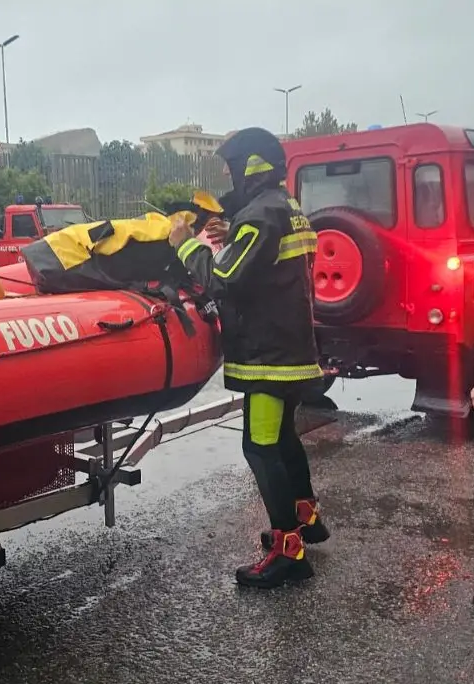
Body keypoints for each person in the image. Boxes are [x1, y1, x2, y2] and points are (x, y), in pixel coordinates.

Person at [168, 127, 328, 589]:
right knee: (281, 439)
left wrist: (187, 244)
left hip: (268, 359)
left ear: (251, 165)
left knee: (259, 446)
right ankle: (306, 518)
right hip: (292, 350)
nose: (227, 175)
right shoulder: (286, 207)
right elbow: (268, 257)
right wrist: (233, 230)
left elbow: (225, 278)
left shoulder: (260, 215)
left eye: (231, 167)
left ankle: (288, 553)